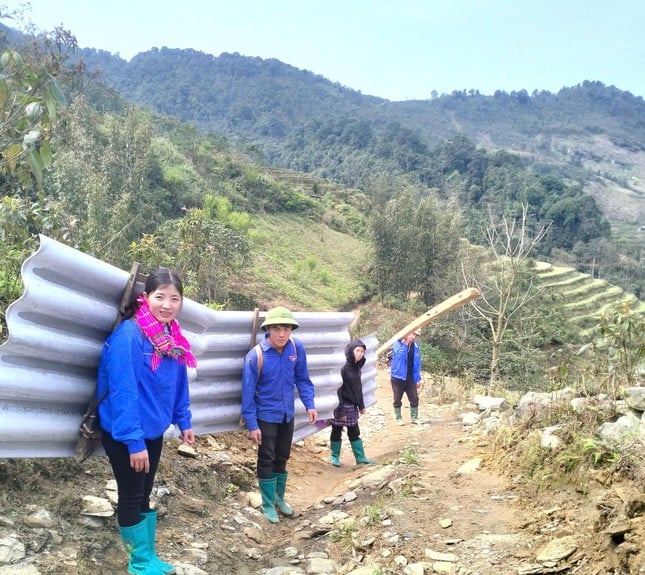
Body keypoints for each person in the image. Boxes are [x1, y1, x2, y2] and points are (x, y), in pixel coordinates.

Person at [97, 268, 196, 575]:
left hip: (152, 429)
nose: (167, 305)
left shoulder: (171, 337)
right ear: (146, 297)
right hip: (125, 432)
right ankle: (139, 562)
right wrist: (134, 441)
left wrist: (184, 420)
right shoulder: (129, 336)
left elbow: (179, 382)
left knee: (144, 491)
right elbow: (123, 392)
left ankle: (148, 556)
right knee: (131, 494)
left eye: (174, 298)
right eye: (160, 297)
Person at [241, 306, 317, 524]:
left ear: (292, 330)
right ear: (268, 330)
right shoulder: (256, 356)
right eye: (276, 329)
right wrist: (252, 425)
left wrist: (309, 404)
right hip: (265, 415)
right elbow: (247, 395)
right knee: (267, 457)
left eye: (286, 329)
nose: (282, 334)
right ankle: (267, 503)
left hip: (287, 413)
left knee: (283, 455)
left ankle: (278, 498)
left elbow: (302, 378)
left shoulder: (296, 348)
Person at [329, 338, 374, 466]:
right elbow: (338, 389)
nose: (360, 354)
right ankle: (334, 457)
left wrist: (361, 405)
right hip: (341, 404)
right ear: (350, 351)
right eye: (357, 351)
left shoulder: (357, 367)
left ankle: (360, 457)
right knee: (337, 429)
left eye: (362, 351)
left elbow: (358, 388)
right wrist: (341, 410)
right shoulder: (343, 368)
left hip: (352, 405)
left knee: (354, 430)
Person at [389, 329, 423, 425]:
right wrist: (405, 343)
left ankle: (414, 418)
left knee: (414, 398)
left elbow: (417, 363)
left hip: (410, 377)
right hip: (398, 376)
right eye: (412, 334)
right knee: (397, 398)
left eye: (416, 336)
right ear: (407, 333)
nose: (414, 337)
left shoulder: (416, 346)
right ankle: (398, 418)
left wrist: (417, 379)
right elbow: (400, 356)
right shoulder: (397, 343)